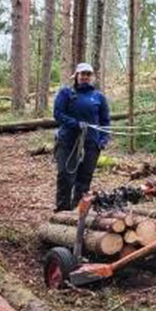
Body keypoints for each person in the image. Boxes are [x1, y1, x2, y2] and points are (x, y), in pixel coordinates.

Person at [53, 63, 111, 212]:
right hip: (68, 142)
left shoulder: (98, 97)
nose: (85, 77)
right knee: (66, 176)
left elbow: (105, 121)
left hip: (91, 143)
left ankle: (78, 211)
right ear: (76, 76)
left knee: (84, 180)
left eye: (88, 74)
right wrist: (75, 124)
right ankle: (62, 211)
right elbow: (58, 114)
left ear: (91, 77)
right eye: (82, 74)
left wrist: (103, 140)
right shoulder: (66, 93)